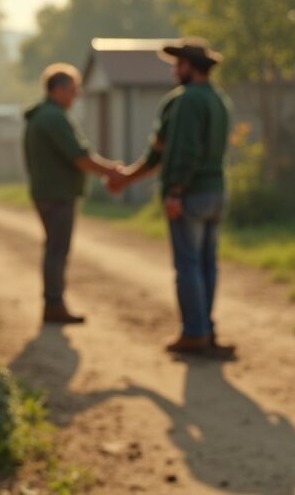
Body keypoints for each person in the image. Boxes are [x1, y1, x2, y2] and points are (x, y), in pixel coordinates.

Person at [110, 39, 232, 354]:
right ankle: (206, 328)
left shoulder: (186, 100)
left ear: (190, 66)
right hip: (216, 192)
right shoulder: (218, 99)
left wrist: (175, 190)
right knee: (207, 264)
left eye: (178, 65)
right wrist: (128, 177)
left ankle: (194, 333)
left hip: (190, 194)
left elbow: (177, 151)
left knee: (188, 265)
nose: (174, 71)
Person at [23, 63, 124, 324]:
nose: (76, 94)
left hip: (48, 192)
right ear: (56, 90)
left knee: (54, 249)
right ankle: (54, 304)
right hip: (57, 194)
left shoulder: (43, 115)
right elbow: (79, 156)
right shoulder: (53, 117)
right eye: (72, 89)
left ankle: (54, 303)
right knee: (57, 251)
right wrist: (111, 171)